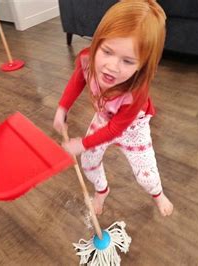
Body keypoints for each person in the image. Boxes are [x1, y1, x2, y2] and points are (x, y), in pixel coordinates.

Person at [53, 0, 173, 217]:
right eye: (107, 51)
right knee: (88, 162)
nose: (112, 67)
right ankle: (102, 190)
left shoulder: (135, 92)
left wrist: (82, 142)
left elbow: (116, 129)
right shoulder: (87, 58)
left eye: (128, 61)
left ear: (143, 65)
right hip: (103, 118)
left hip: (132, 127)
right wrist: (63, 107)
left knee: (145, 175)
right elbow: (78, 79)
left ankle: (157, 193)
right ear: (97, 41)